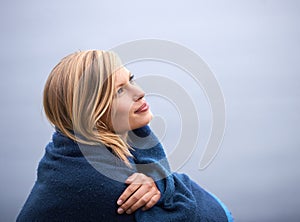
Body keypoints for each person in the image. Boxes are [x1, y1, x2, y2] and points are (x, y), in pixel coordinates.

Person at [17, 50, 233, 221]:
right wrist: (163, 185)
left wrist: (159, 182)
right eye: (120, 91)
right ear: (92, 113)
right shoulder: (108, 187)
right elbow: (197, 213)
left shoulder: (68, 150)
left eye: (131, 79)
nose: (139, 92)